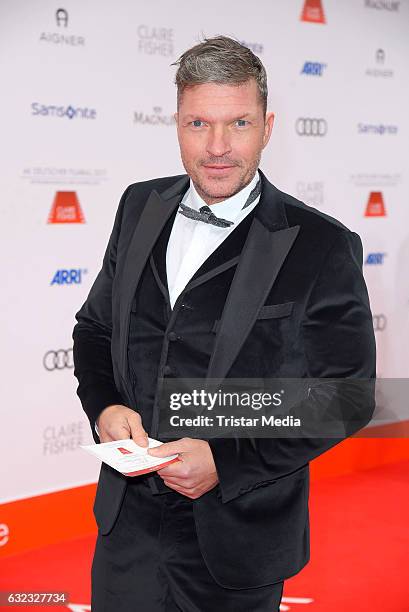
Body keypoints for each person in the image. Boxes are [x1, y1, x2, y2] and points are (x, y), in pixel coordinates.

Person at [73, 36, 376, 612]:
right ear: (176, 124)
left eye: (238, 123)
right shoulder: (139, 206)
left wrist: (227, 458)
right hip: (126, 527)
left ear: (267, 126)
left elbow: (347, 396)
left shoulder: (321, 244)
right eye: (198, 124)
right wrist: (105, 407)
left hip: (240, 535)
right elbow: (95, 329)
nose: (217, 147)